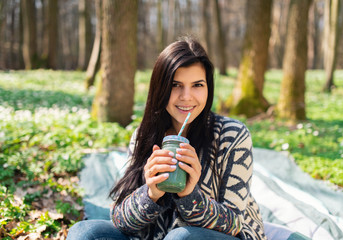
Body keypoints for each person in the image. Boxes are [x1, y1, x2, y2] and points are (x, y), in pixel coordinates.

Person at [67, 37, 267, 240]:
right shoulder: (143, 136)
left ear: (208, 88)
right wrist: (150, 193)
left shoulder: (231, 135)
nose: (186, 96)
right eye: (175, 85)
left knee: (181, 238)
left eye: (197, 85)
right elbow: (120, 220)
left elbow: (234, 223)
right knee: (84, 232)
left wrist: (190, 196)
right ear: (160, 88)